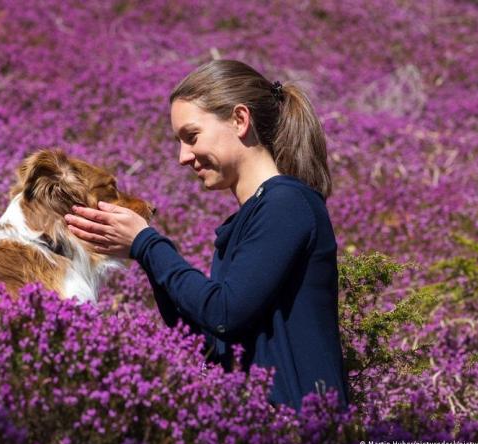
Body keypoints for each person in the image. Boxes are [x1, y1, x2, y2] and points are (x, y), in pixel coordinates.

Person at [64, 59, 349, 411]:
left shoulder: (286, 204)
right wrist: (140, 252)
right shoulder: (253, 216)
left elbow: (224, 313)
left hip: (302, 428)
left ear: (240, 120)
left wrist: (148, 243)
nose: (182, 157)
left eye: (191, 136)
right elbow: (210, 335)